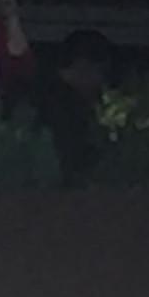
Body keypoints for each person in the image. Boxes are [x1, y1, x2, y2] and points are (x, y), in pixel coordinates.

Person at [28, 27, 115, 186]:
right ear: (84, 66)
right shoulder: (67, 108)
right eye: (101, 73)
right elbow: (76, 161)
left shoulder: (36, 93)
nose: (101, 84)